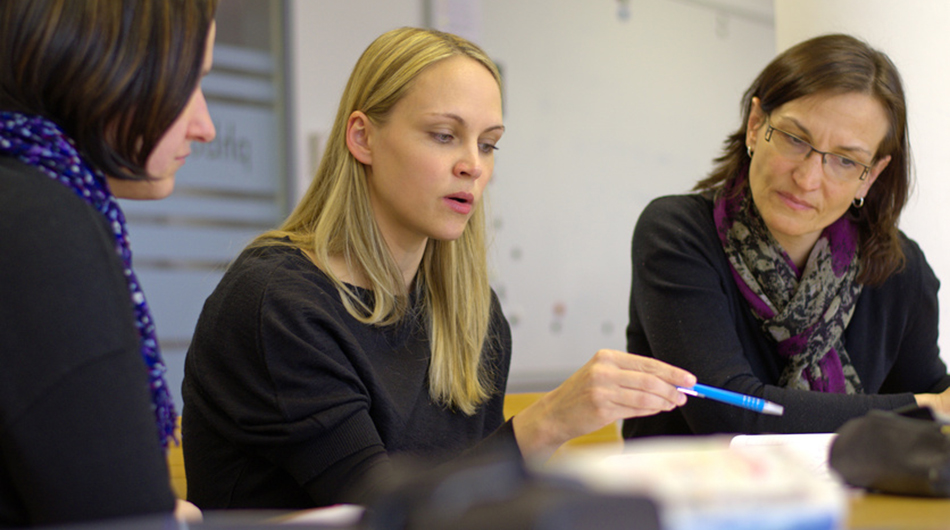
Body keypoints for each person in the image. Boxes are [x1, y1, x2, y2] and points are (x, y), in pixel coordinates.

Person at [181, 26, 695, 511]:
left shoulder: (473, 312)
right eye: (444, 135)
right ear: (362, 139)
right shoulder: (277, 302)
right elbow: (381, 512)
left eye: (488, 143)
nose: (474, 164)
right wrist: (547, 423)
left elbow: (473, 500)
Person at [623, 34, 950, 439]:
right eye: (796, 139)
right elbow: (729, 415)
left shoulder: (901, 267)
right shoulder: (677, 232)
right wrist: (923, 407)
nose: (807, 179)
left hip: (853, 500)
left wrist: (934, 403)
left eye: (846, 161)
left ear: (872, 175)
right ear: (756, 125)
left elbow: (933, 394)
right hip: (686, 496)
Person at [0, 0, 217, 525]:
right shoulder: (39, 225)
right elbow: (124, 517)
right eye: (187, 81)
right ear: (103, 65)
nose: (204, 126)